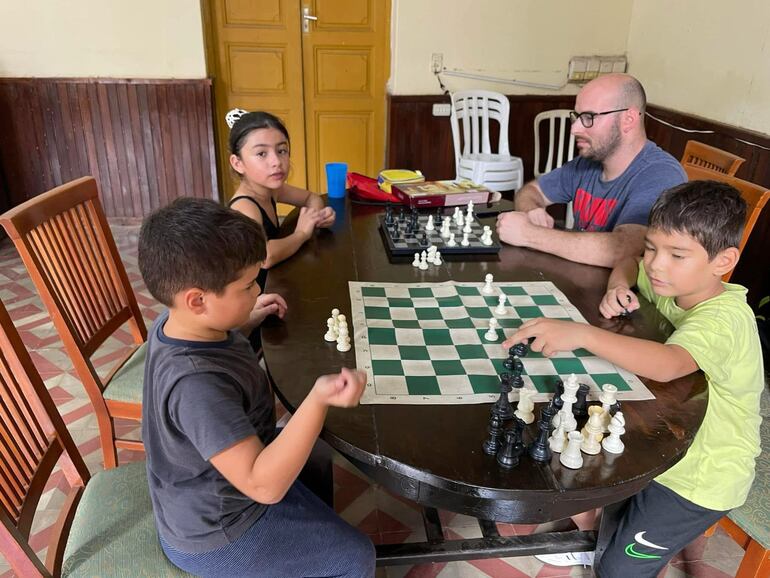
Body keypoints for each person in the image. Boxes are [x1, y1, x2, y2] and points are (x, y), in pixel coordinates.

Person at [504, 180, 764, 575]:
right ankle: (598, 536)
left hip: (701, 478)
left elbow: (668, 363)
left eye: (677, 255)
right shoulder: (674, 284)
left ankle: (608, 549)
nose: (657, 265)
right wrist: (619, 285)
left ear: (723, 262)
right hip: (663, 442)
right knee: (575, 460)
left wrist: (582, 334)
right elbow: (628, 264)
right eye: (653, 247)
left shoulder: (724, 319)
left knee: (616, 570)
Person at [138, 198, 375, 578]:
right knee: (356, 557)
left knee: (314, 455)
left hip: (217, 494)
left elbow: (217, 344)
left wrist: (247, 317)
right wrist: (317, 399)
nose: (255, 290)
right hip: (218, 532)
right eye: (248, 285)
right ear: (198, 300)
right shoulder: (196, 387)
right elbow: (263, 487)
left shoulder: (181, 323)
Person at [496, 74, 686, 268]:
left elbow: (624, 250)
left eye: (588, 117)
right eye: (577, 117)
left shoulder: (661, 175)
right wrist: (532, 211)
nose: (574, 129)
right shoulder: (589, 163)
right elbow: (531, 191)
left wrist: (530, 235)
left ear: (628, 119)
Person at [226, 109, 336, 291]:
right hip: (253, 299)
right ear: (238, 163)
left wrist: (317, 217)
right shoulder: (244, 206)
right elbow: (264, 257)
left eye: (282, 150)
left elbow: (311, 197)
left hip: (275, 283)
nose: (276, 161)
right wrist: (301, 234)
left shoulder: (272, 189)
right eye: (262, 153)